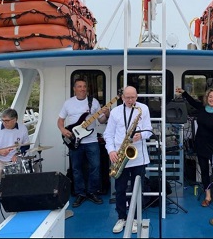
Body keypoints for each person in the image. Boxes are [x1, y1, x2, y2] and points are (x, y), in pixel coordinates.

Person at [104, 86, 153, 234]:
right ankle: (122, 217)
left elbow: (149, 130)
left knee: (139, 189)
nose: (130, 100)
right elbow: (108, 134)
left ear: (136, 96)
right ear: (122, 97)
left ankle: (136, 218)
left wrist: (141, 136)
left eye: (133, 97)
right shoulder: (115, 112)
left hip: (139, 156)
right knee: (120, 189)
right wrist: (111, 151)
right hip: (120, 156)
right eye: (127, 98)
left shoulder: (143, 109)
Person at [175, 85, 213, 207]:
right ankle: (208, 195)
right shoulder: (202, 109)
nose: (212, 99)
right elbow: (192, 102)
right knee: (204, 171)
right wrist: (184, 93)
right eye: (210, 97)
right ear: (207, 98)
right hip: (201, 144)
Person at [58, 78, 108, 207]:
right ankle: (80, 193)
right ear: (74, 89)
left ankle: (92, 192)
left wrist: (106, 114)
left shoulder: (94, 102)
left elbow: (101, 121)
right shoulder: (68, 103)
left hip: (91, 141)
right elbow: (60, 120)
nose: (82, 89)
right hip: (74, 140)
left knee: (95, 167)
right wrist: (63, 130)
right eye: (79, 86)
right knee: (76, 169)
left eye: (84, 86)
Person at [0, 109, 31, 182]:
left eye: (7, 121)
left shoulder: (22, 129)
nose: (4, 123)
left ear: (15, 119)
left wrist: (18, 154)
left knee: (25, 170)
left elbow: (26, 145)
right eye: (2, 120)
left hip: (15, 159)